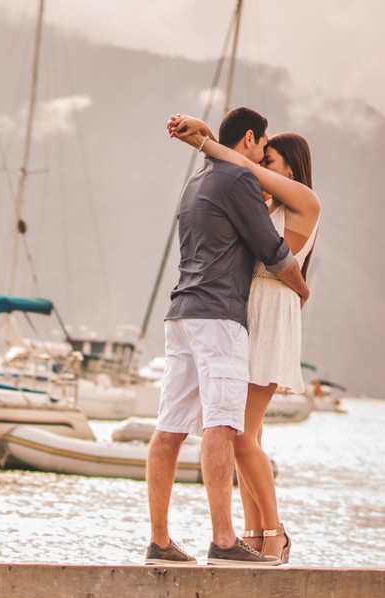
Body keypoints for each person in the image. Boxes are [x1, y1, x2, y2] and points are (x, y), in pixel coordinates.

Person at [144, 105, 309, 568]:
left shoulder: (196, 182)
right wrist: (301, 287)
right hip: (219, 315)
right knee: (222, 424)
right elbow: (272, 249)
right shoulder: (238, 182)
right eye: (262, 147)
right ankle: (223, 539)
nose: (261, 159)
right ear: (251, 139)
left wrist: (200, 137)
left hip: (181, 313)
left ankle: (159, 541)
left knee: (169, 428)